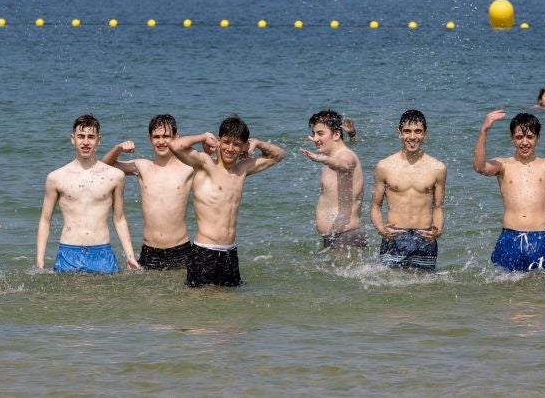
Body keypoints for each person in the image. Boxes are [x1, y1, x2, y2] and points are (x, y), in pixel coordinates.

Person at [473, 97, 545, 272]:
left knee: (539, 293)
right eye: (519, 137)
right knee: (506, 292)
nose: (524, 142)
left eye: (530, 137)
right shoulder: (503, 165)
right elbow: (479, 167)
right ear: (512, 139)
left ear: (538, 139)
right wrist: (484, 130)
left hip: (540, 238)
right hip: (509, 237)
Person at [169, 116, 285, 287]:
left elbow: (278, 155)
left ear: (244, 147)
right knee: (198, 307)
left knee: (229, 307)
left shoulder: (242, 169)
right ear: (218, 142)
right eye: (226, 142)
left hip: (230, 253)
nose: (230, 148)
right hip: (204, 251)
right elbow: (175, 145)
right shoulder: (205, 164)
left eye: (237, 144)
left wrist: (257, 143)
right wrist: (202, 137)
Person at [36, 114, 140, 274]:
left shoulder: (115, 176)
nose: (86, 142)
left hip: (102, 252)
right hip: (68, 252)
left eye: (91, 137)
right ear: (73, 139)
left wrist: (130, 256)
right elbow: (45, 220)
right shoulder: (56, 177)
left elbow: (119, 219)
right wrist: (40, 259)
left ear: (99, 140)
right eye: (81, 136)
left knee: (103, 299)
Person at [101, 114, 195, 270]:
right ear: (150, 139)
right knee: (149, 294)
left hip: (181, 250)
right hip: (149, 251)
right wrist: (118, 149)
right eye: (156, 137)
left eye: (166, 136)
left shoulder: (189, 167)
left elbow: (221, 167)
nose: (161, 141)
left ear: (176, 137)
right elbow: (104, 167)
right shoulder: (142, 166)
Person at [370, 110, 447, 271]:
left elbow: (438, 207)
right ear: (399, 133)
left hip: (425, 236)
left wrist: (438, 230)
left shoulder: (437, 168)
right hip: (395, 235)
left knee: (424, 289)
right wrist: (380, 228)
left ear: (425, 134)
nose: (412, 137)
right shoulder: (384, 166)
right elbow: (376, 206)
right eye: (407, 131)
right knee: (390, 289)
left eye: (418, 131)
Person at [300, 109, 366, 250]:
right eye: (314, 134)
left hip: (346, 236)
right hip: (337, 236)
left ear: (336, 134)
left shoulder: (345, 156)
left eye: (320, 133)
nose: (315, 138)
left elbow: (345, 165)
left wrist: (322, 159)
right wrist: (352, 135)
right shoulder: (334, 154)